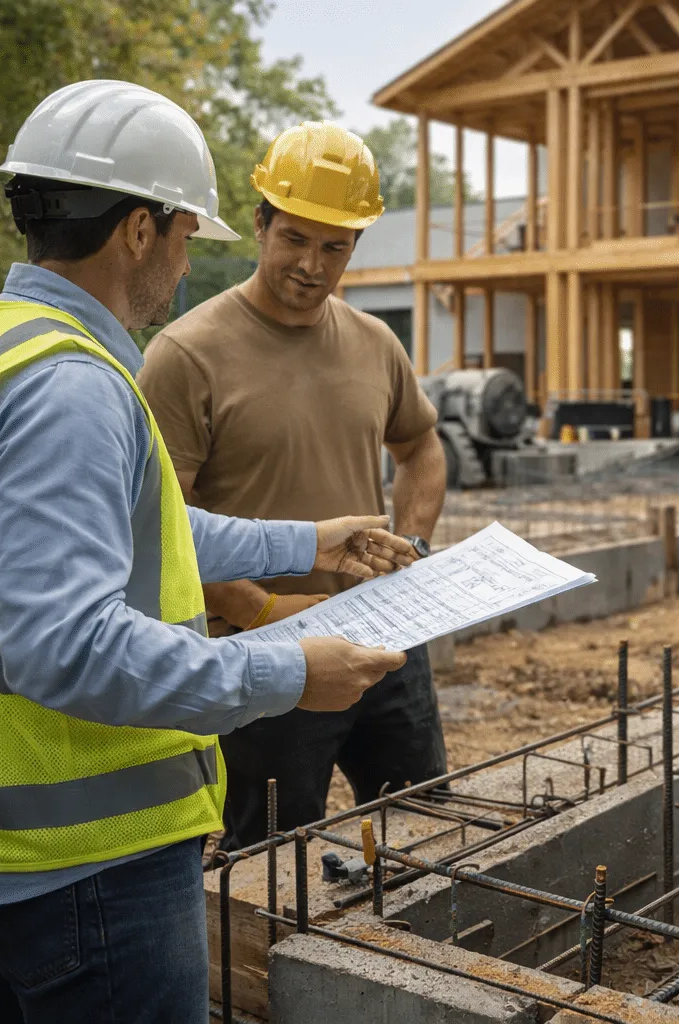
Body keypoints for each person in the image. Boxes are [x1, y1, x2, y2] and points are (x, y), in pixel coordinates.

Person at [0, 80, 419, 1022]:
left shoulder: (0, 349)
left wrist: (308, 539)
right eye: (189, 236)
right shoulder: (67, 387)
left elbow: (136, 524)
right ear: (138, 230)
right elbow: (63, 645)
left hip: (26, 855)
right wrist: (281, 669)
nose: (188, 266)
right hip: (85, 861)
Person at [139, 121, 450, 849]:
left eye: (334, 246)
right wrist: (263, 609)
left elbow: (422, 448)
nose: (312, 264)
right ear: (260, 223)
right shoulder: (187, 354)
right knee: (274, 861)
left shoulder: (376, 344)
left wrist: (413, 546)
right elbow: (161, 523)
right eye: (295, 239)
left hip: (385, 638)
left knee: (427, 833)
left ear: (356, 246)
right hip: (266, 656)